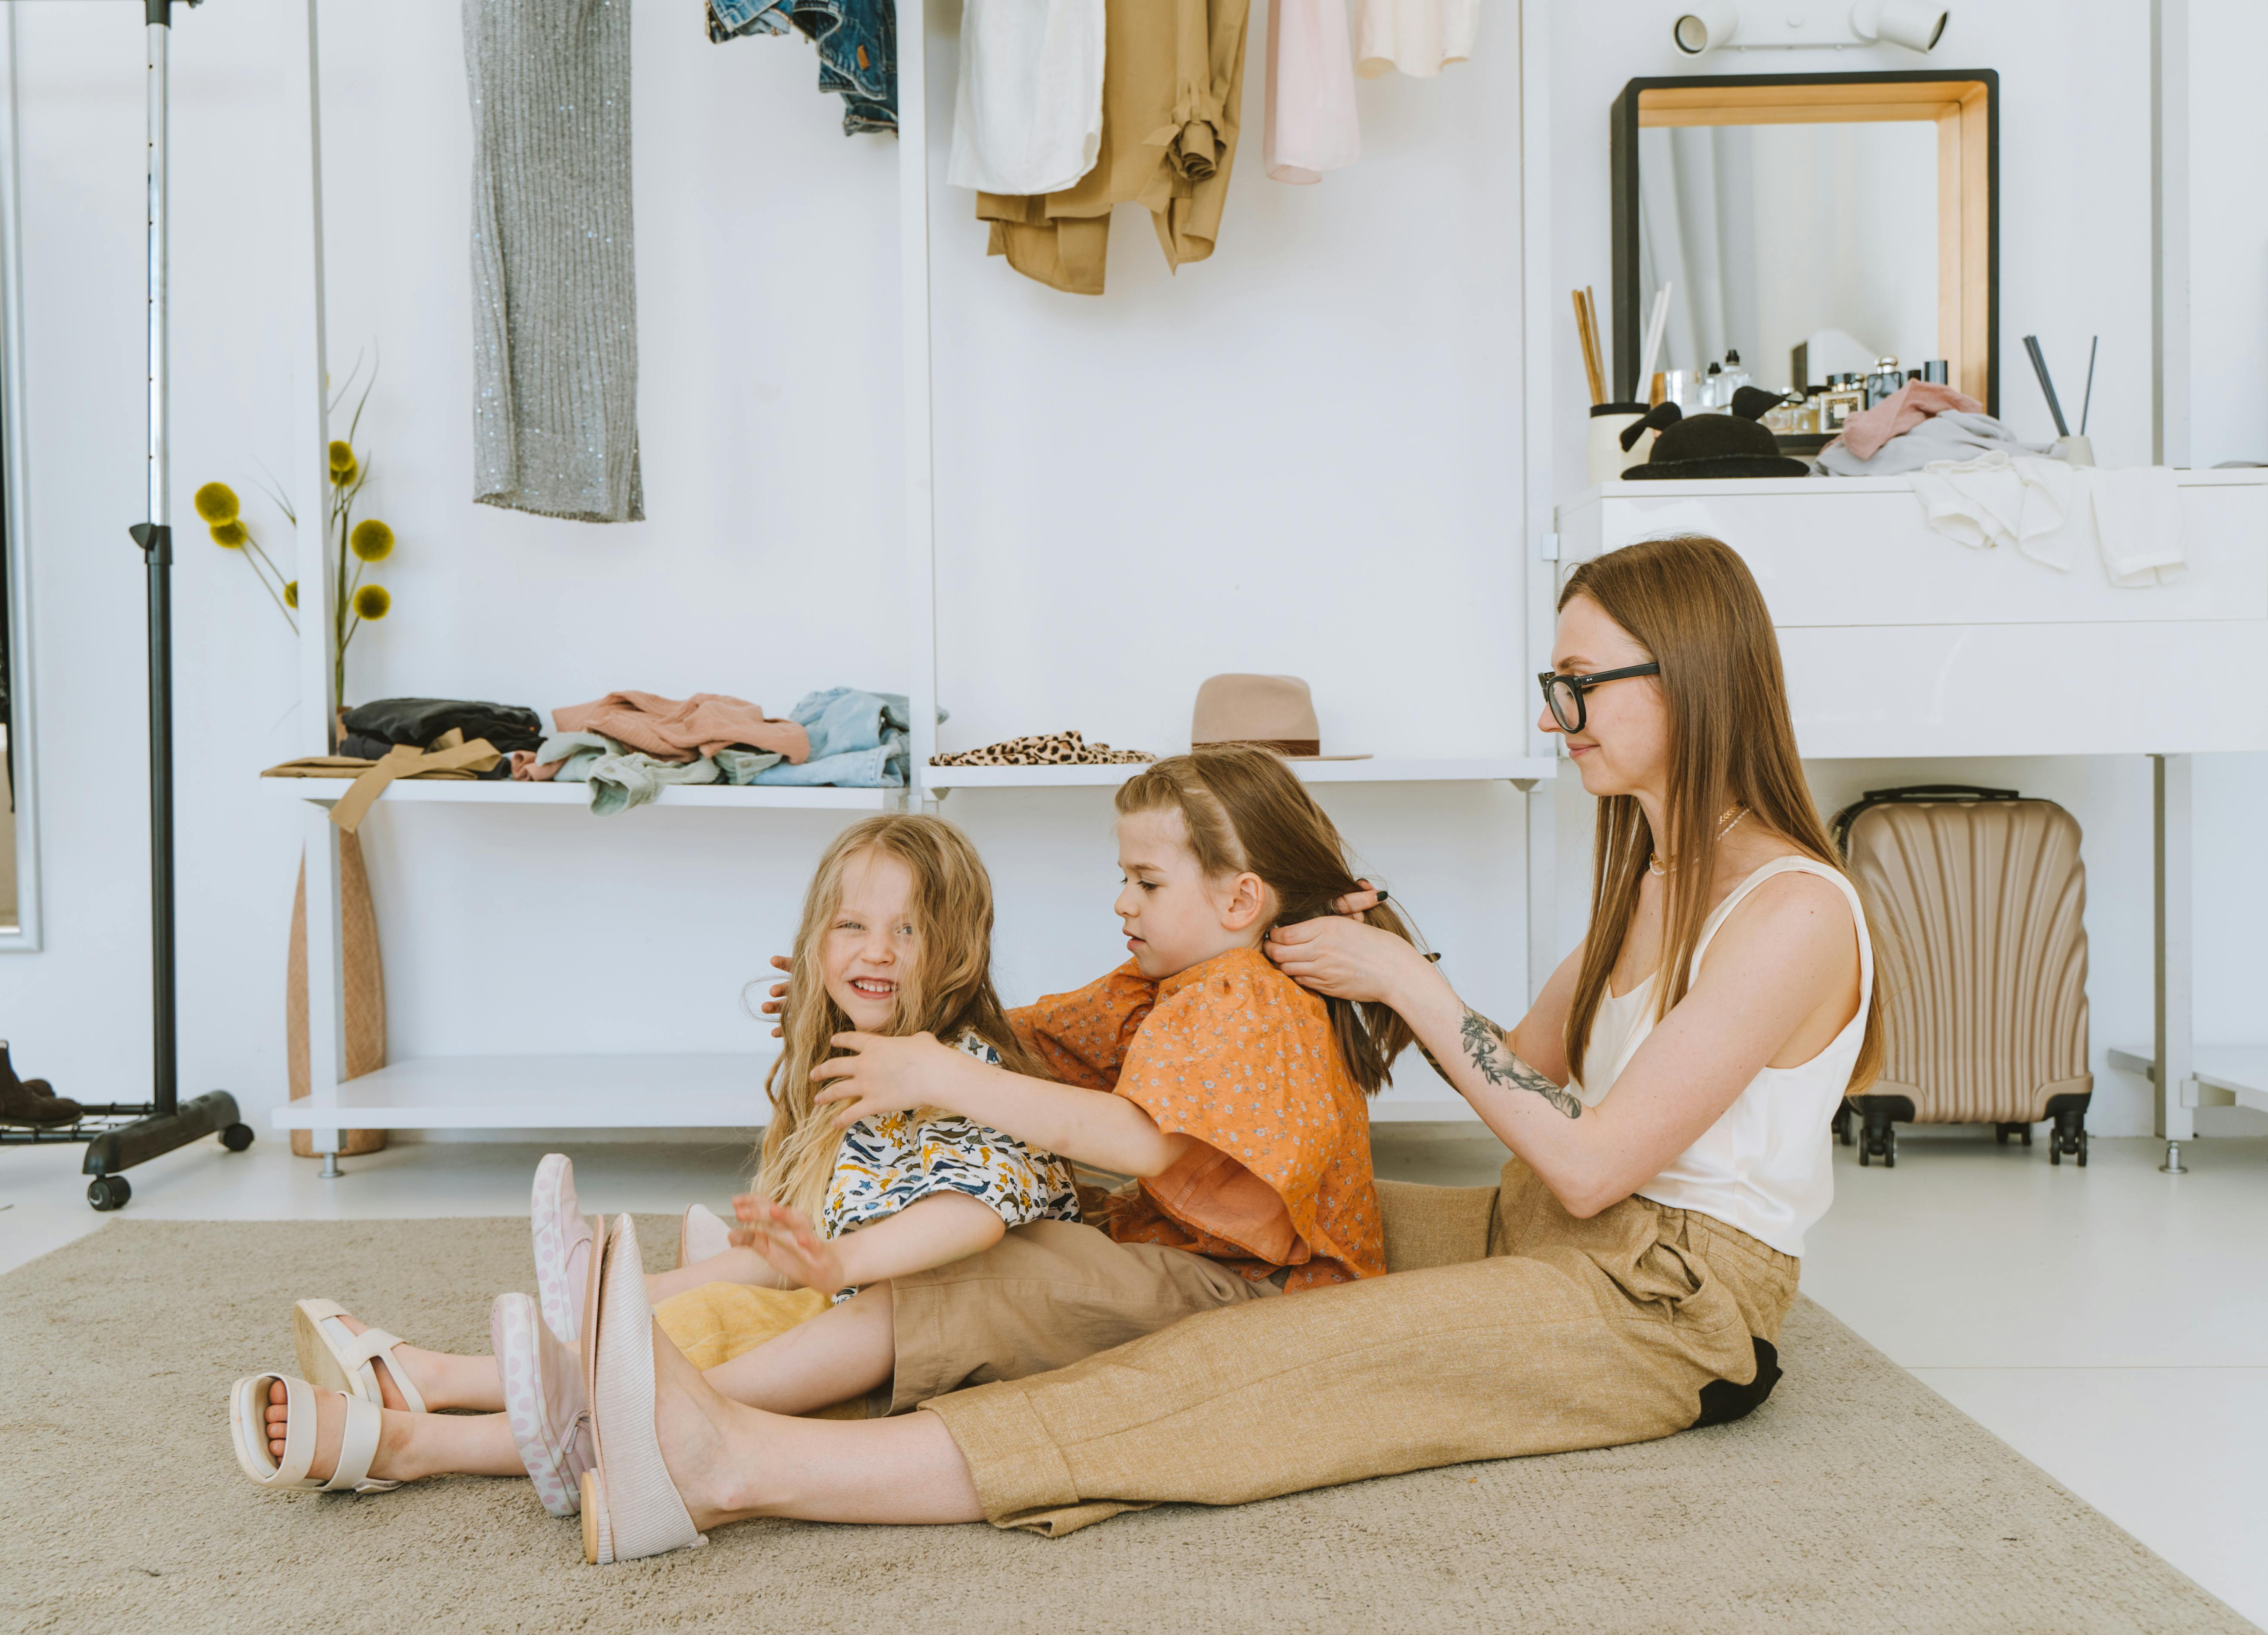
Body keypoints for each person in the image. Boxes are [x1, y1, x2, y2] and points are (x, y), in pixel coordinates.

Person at [568, 531, 1882, 1556]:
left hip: (1665, 1306)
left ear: (1692, 674)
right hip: (1536, 1228)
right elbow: (1529, 1069)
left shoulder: (1797, 914)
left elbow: (1593, 1163)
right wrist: (1392, 970)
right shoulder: (1647, 877)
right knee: (1180, 1232)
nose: (1558, 713)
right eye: (1558, 684)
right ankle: (796, 1302)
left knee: (1258, 1355)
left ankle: (737, 1465)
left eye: (1580, 683)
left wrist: (1409, 988)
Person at [229, 812, 1083, 1509]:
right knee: (690, 1312)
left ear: (959, 953)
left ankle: (417, 1442)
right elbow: (788, 1260)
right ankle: (445, 1371)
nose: (876, 950)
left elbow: (971, 1210)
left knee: (792, 1343)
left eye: (909, 931)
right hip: (854, 1300)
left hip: (947, 1325)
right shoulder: (852, 1061)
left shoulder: (968, 1076)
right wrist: (624, 1296)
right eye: (852, 926)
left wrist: (843, 1259)